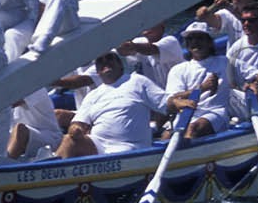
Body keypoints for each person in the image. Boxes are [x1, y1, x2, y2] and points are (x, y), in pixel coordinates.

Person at [55, 51, 194, 157]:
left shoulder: (137, 81)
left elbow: (164, 102)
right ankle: (55, 180)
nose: (105, 62)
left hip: (129, 148)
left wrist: (176, 103)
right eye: (100, 61)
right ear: (97, 71)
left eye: (110, 58)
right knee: (68, 140)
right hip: (99, 144)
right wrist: (75, 129)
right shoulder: (93, 95)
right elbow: (78, 122)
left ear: (120, 65)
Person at [164, 23, 231, 139]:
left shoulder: (225, 62)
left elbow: (254, 75)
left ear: (209, 42)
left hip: (214, 112)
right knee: (166, 137)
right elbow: (172, 99)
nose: (195, 42)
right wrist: (202, 88)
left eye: (200, 38)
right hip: (185, 114)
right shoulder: (178, 69)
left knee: (192, 129)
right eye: (190, 39)